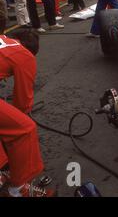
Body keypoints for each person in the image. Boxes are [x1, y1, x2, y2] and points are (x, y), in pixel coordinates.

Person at [0, 13, 55, 197]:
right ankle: (17, 189)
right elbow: (22, 103)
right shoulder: (24, 55)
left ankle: (2, 168)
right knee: (24, 128)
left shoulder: (4, 41)